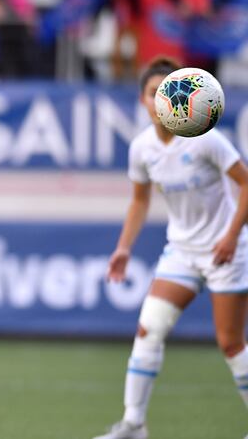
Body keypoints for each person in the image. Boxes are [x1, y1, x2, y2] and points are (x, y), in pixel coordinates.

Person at [93, 57, 248, 439]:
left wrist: (231, 235)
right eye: (154, 93)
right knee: (149, 330)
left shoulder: (206, 138)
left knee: (230, 343)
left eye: (170, 91)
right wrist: (124, 248)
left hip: (224, 250)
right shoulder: (142, 148)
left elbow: (246, 183)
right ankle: (134, 424)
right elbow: (140, 201)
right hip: (181, 251)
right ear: (144, 100)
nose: (163, 100)